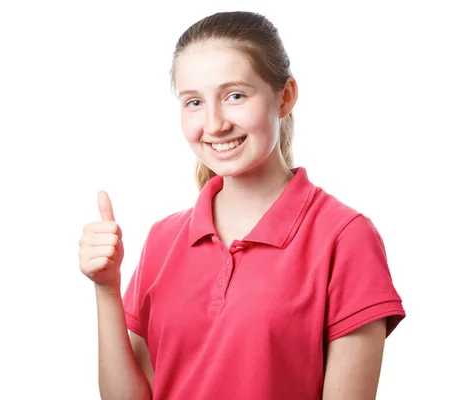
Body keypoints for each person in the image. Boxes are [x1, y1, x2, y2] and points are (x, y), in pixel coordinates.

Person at [78, 10, 405, 400]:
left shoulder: (344, 237)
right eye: (194, 102)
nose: (214, 124)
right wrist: (107, 290)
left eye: (235, 95)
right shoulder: (163, 239)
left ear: (284, 97)